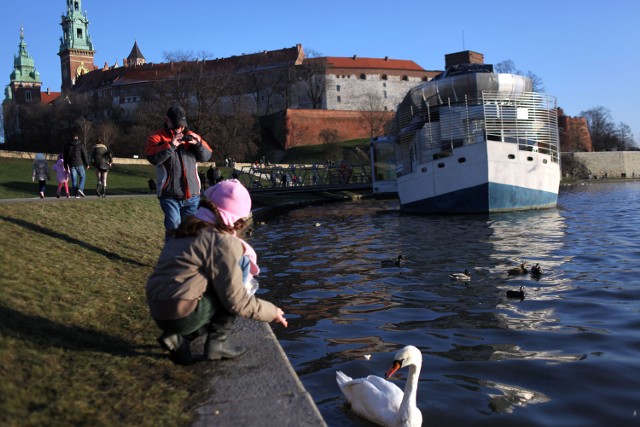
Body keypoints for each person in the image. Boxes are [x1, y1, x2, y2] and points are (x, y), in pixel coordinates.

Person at [146, 179, 288, 365]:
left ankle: (179, 339)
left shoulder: (188, 227)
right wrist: (272, 311)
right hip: (180, 313)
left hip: (157, 307)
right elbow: (237, 301)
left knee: (236, 268)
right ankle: (217, 343)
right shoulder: (223, 242)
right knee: (234, 286)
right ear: (237, 219)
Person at [145, 106, 213, 239]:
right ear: (167, 121)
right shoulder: (157, 138)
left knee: (191, 232)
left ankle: (187, 258)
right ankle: (171, 259)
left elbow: (207, 155)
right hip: (170, 195)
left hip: (192, 196)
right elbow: (152, 157)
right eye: (177, 126)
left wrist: (197, 144)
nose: (180, 130)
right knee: (174, 230)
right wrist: (171, 145)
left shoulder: (192, 136)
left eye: (182, 126)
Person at [63, 133, 90, 198]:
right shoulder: (81, 145)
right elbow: (84, 154)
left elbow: (65, 157)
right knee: (83, 176)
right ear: (77, 137)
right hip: (79, 163)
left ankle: (76, 194)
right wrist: (87, 164)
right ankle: (80, 189)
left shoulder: (67, 145)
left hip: (71, 164)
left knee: (74, 180)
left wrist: (65, 166)